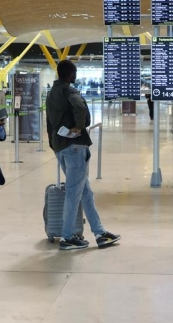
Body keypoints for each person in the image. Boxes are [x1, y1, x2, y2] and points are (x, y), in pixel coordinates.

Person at [46, 60, 120, 250]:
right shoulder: (70, 92)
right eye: (75, 72)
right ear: (71, 74)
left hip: (60, 147)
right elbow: (80, 108)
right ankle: (68, 237)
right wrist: (78, 127)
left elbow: (49, 122)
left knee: (85, 191)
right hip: (75, 148)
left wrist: (54, 144)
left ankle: (100, 232)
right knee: (73, 193)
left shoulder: (51, 93)